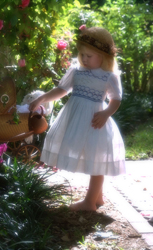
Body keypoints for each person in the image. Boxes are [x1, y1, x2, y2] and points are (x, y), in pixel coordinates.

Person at [29, 26, 126, 211]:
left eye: (89, 56)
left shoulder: (108, 77)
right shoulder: (76, 71)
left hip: (95, 120)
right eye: (82, 54)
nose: (84, 59)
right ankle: (97, 197)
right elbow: (62, 90)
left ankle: (90, 202)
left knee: (96, 157)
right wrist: (42, 98)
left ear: (103, 57)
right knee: (91, 157)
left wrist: (106, 114)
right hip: (74, 119)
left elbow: (116, 99)